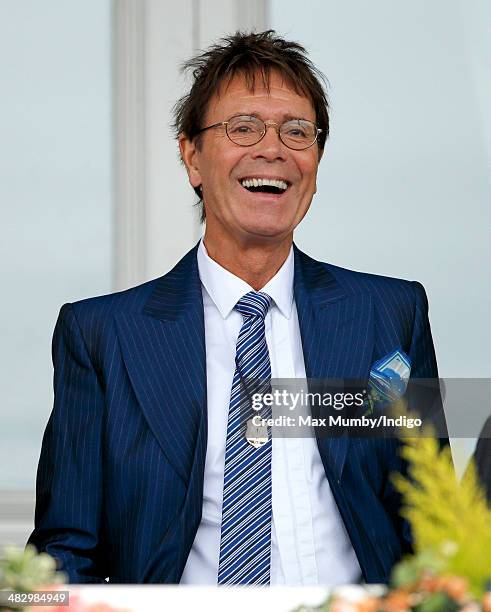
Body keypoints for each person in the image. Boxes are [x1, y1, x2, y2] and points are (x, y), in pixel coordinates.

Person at [28, 30, 448, 585]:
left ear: (317, 163)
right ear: (191, 155)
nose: (272, 149)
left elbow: (433, 523)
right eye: (242, 128)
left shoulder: (389, 315)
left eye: (297, 131)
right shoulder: (103, 335)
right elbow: (64, 554)